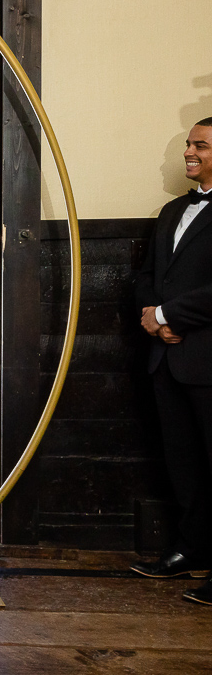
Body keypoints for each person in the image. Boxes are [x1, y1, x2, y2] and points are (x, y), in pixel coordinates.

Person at [132, 117, 212, 606]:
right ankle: (193, 548)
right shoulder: (170, 211)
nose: (189, 152)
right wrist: (152, 317)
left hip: (208, 359)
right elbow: (148, 275)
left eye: (200, 145)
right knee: (183, 466)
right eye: (188, 144)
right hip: (166, 358)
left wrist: (170, 313)